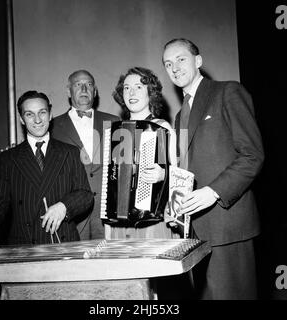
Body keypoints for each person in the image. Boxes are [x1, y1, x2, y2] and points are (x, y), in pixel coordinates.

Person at [162, 38, 264, 299]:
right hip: (195, 232)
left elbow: (252, 156)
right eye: (168, 63)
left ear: (198, 61)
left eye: (181, 59)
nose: (174, 67)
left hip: (227, 226)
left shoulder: (228, 92)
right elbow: (186, 170)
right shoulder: (180, 113)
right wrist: (174, 205)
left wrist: (214, 191)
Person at [0, 91, 94, 250]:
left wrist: (64, 206)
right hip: (23, 246)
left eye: (42, 112)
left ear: (50, 115)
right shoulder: (8, 159)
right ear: (21, 119)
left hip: (63, 243)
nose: (37, 120)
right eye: (29, 114)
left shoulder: (70, 152)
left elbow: (85, 194)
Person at [107, 66, 179, 239]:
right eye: (126, 88)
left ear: (150, 92)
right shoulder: (116, 131)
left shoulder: (162, 127)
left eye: (138, 87)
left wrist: (164, 175)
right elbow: (111, 183)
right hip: (120, 225)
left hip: (153, 223)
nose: (131, 92)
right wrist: (108, 226)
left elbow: (180, 176)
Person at [51, 70, 119, 240]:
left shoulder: (115, 121)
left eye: (88, 84)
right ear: (68, 91)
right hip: (72, 216)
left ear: (95, 92)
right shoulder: (52, 127)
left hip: (108, 217)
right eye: (77, 84)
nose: (83, 89)